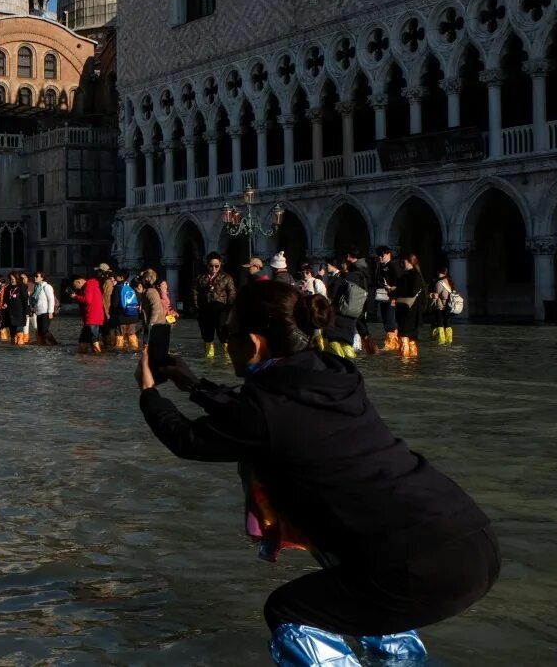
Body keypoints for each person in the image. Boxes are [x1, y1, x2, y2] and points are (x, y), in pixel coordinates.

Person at [137, 281, 498, 666]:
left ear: (255, 343)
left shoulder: (266, 409)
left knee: (289, 610)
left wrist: (148, 393)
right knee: (354, 591)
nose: (226, 342)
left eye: (229, 333)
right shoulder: (336, 374)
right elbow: (261, 409)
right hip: (473, 542)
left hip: (418, 563)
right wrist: (193, 385)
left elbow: (189, 439)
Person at [194, 252, 237, 360]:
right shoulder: (200, 277)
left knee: (223, 334)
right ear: (207, 265)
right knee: (207, 335)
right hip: (205, 310)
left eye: (216, 266)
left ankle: (229, 357)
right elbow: (194, 292)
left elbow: (232, 293)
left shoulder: (227, 277)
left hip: (221, 310)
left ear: (220, 264)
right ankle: (209, 358)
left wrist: (229, 308)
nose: (214, 268)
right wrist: (197, 306)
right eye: (211, 265)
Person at [392, 252, 426, 359]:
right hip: (409, 309)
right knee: (410, 336)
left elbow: (411, 291)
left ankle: (404, 360)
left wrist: (395, 291)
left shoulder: (413, 276)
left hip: (409, 309)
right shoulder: (415, 275)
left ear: (410, 262)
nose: (403, 264)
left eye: (404, 262)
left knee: (405, 334)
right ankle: (411, 361)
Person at [140, 268, 173, 372]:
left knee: (149, 351)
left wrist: (151, 324)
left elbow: (156, 308)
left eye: (143, 278)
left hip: (156, 326)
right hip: (155, 325)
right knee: (151, 351)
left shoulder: (151, 292)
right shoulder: (150, 291)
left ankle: (151, 371)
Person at [370, 246, 401, 353]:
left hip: (392, 297)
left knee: (390, 321)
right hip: (383, 297)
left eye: (382, 255)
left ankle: (391, 344)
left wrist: (394, 294)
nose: (380, 257)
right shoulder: (380, 266)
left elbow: (400, 282)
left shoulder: (393, 265)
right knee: (386, 319)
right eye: (378, 255)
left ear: (388, 254)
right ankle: (394, 342)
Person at [71, 271, 106, 354]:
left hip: (92, 317)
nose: (76, 288)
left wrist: (75, 297)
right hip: (92, 317)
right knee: (83, 338)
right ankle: (83, 354)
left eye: (75, 286)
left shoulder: (89, 286)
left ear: (78, 281)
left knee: (93, 338)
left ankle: (98, 355)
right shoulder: (92, 285)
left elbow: (87, 300)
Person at [431, 267, 458, 346]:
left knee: (439, 323)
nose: (437, 274)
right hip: (449, 306)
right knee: (448, 323)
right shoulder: (450, 281)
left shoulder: (440, 283)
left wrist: (429, 295)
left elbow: (436, 295)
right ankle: (449, 340)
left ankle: (441, 341)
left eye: (438, 272)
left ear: (441, 273)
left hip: (440, 306)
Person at [31, 270, 59, 345]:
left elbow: (51, 299)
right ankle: (43, 344)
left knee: (44, 330)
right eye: (34, 276)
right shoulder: (37, 287)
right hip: (38, 312)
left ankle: (55, 343)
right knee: (40, 331)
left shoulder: (47, 286)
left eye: (37, 276)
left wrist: (50, 312)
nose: (35, 278)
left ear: (42, 278)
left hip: (45, 312)